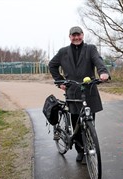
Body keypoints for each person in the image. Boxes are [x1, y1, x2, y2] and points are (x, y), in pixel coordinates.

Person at [48, 26, 110, 163]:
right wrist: (60, 81)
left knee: (89, 122)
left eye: (79, 35)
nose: (76, 38)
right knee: (76, 121)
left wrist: (103, 73)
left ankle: (89, 145)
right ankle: (80, 150)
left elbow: (98, 61)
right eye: (73, 35)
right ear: (70, 37)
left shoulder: (90, 49)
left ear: (82, 35)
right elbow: (52, 65)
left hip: (89, 91)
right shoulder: (63, 52)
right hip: (72, 91)